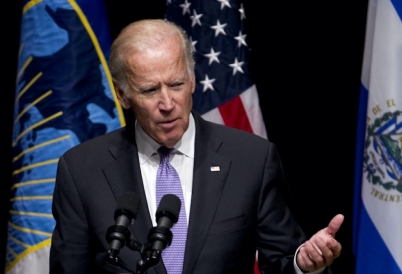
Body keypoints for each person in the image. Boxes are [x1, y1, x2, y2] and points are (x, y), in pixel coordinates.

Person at [49, 19, 344, 274]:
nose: (167, 104)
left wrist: (303, 265)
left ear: (192, 80)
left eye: (176, 84)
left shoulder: (251, 159)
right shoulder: (81, 171)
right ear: (123, 95)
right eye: (150, 90)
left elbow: (281, 261)